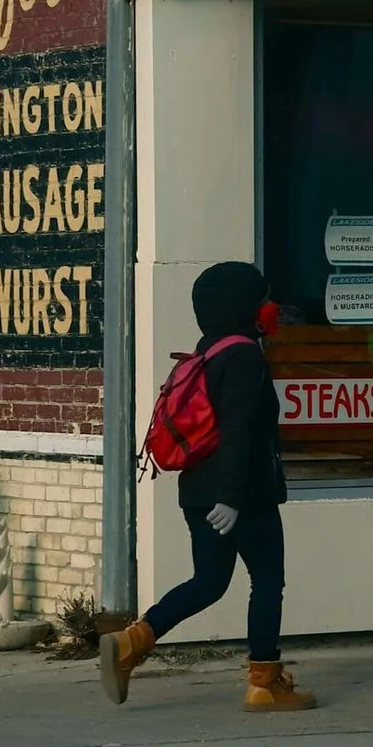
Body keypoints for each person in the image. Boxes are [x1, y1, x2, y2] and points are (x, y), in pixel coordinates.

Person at [99, 260, 312, 713]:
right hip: (240, 496)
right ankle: (265, 683)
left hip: (197, 491)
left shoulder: (209, 350)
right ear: (244, 306)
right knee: (268, 580)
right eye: (262, 299)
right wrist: (233, 498)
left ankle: (131, 642)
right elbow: (238, 433)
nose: (271, 307)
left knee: (209, 581)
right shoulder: (243, 357)